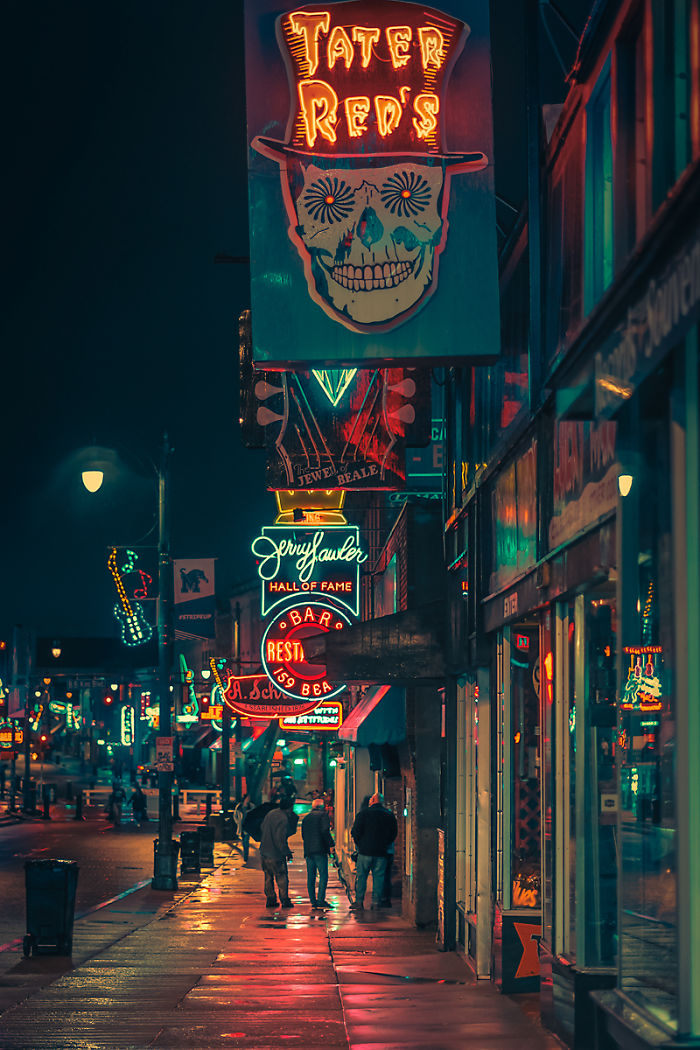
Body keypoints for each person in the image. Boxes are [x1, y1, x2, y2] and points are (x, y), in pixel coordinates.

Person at [350, 792, 397, 911]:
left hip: (364, 852)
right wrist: (385, 844)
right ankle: (376, 902)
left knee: (361, 877)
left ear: (372, 801)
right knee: (379, 878)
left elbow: (355, 832)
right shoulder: (389, 815)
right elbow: (393, 834)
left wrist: (359, 845)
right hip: (381, 852)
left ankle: (359, 902)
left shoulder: (363, 814)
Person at [259, 797, 296, 908]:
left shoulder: (270, 814)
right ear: (289, 808)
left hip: (264, 852)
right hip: (275, 854)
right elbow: (280, 839)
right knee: (281, 876)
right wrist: (286, 852)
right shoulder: (283, 819)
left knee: (268, 877)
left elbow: (261, 827)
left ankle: (270, 899)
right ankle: (284, 900)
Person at [301, 798, 335, 909]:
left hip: (309, 851)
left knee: (311, 876)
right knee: (323, 875)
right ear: (322, 806)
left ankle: (313, 901)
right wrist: (331, 845)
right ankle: (320, 900)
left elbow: (303, 835)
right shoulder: (323, 815)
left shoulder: (306, 818)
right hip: (320, 850)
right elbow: (325, 831)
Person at [234, 793, 255, 863]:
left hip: (247, 826)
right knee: (244, 841)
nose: (248, 799)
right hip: (241, 826)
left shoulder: (251, 806)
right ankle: (246, 854)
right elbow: (235, 816)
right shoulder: (239, 806)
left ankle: (246, 856)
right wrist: (238, 822)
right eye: (247, 798)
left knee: (246, 841)